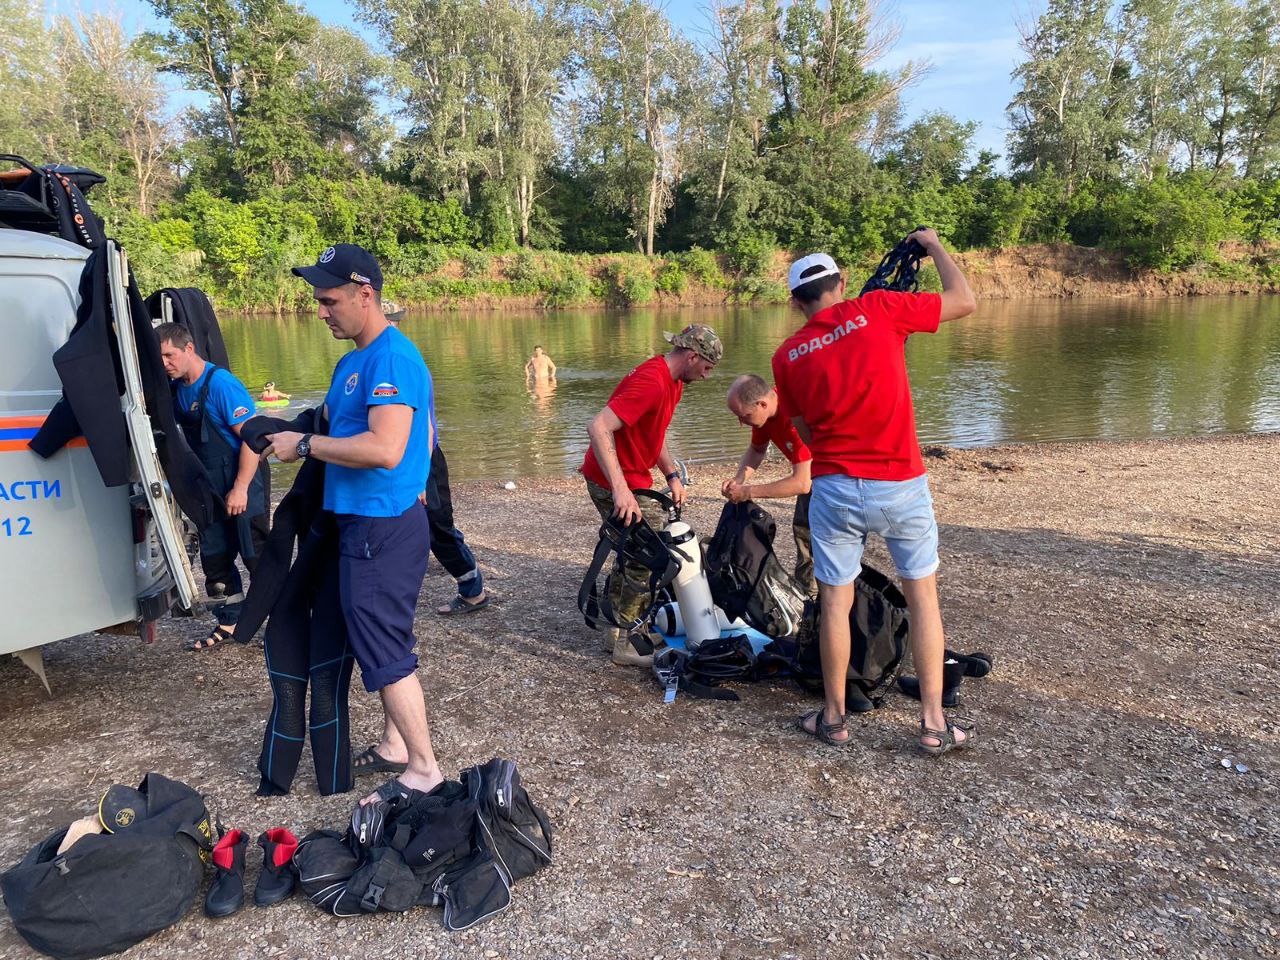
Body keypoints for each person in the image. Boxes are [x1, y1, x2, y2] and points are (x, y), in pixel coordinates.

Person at [771, 231, 978, 755]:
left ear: (797, 303)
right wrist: (931, 246)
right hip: (900, 483)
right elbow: (965, 301)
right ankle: (933, 725)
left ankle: (835, 718)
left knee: (835, 604)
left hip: (835, 488)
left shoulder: (788, 354)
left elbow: (807, 433)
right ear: (841, 284)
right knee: (922, 599)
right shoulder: (880, 308)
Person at [271, 243, 444, 802]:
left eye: (329, 300)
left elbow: (386, 447)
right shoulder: (355, 361)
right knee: (384, 633)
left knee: (382, 645)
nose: (320, 311)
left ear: (365, 295)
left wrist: (304, 445)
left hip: (380, 528)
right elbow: (425, 435)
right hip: (370, 521)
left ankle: (423, 768)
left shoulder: (391, 359)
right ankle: (396, 745)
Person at [582, 324, 722, 666]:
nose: (705, 377)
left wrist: (671, 475)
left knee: (633, 550)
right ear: (692, 356)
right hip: (614, 479)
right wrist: (621, 491)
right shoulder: (653, 381)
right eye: (706, 368)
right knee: (650, 556)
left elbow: (652, 432)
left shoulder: (673, 381)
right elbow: (598, 427)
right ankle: (628, 643)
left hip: (633, 476)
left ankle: (615, 628)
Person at [157, 323, 268, 650]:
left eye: (169, 355)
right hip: (209, 487)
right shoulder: (177, 389)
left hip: (241, 480)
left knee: (257, 558)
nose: (165, 363)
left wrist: (241, 487)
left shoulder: (221, 385)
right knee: (215, 560)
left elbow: (254, 440)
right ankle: (229, 623)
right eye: (159, 357)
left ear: (189, 349)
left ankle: (287, 626)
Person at [383, 306, 489, 620]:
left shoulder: (402, 360)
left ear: (391, 323)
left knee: (437, 529)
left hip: (423, 458)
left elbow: (425, 427)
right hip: (402, 458)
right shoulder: (382, 359)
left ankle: (473, 592)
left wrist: (420, 477)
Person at [722, 374, 816, 599]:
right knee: (802, 533)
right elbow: (757, 450)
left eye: (744, 416)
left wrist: (748, 492)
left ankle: (819, 599)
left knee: (817, 539)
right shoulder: (764, 414)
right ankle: (808, 594)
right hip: (814, 476)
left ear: (762, 404)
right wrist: (739, 480)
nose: (741, 423)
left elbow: (803, 482)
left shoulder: (794, 417)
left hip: (835, 477)